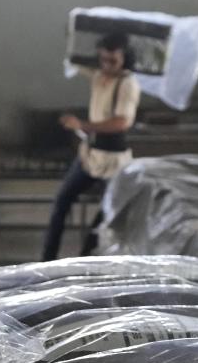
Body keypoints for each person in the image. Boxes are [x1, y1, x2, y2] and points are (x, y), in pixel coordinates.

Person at [42, 32, 141, 261]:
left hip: (114, 160)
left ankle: (86, 261)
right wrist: (73, 32)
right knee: (61, 202)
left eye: (113, 61)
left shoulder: (127, 84)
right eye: (103, 60)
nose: (107, 65)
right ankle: (46, 260)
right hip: (90, 156)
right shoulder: (98, 75)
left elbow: (122, 122)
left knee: (107, 217)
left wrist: (83, 125)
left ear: (125, 57)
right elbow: (73, 61)